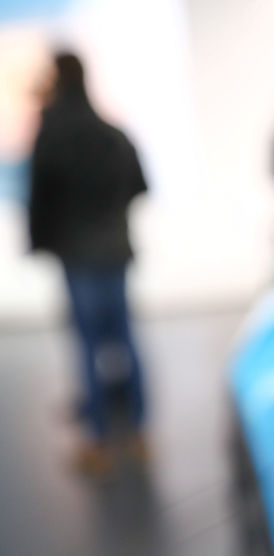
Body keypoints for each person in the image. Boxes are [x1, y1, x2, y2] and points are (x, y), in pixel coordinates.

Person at [28, 52, 148, 474]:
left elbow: (41, 198)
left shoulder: (53, 132)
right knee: (124, 339)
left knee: (87, 345)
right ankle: (137, 431)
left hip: (78, 253)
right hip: (113, 247)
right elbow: (140, 184)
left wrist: (43, 240)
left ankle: (97, 439)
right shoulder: (110, 132)